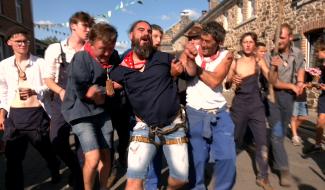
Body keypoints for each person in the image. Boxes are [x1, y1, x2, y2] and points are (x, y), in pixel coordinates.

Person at [109, 20, 197, 190]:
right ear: (131, 36)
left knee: (180, 179)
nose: (146, 34)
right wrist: (108, 88)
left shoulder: (164, 58)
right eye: (141, 30)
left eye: (149, 31)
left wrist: (190, 60)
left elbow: (190, 74)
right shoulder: (120, 69)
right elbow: (108, 88)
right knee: (134, 181)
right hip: (143, 127)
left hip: (173, 125)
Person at [0, 28, 60, 189]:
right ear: (9, 43)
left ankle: (54, 169)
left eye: (25, 41)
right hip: (15, 116)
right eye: (18, 41)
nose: (22, 44)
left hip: (37, 115)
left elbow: (50, 86)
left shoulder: (40, 63)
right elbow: (3, 91)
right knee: (13, 160)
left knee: (47, 151)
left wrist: (35, 89)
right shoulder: (4, 65)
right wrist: (2, 114)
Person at [61, 22, 119, 190]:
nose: (107, 53)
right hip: (81, 114)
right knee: (93, 158)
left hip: (102, 113)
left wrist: (104, 91)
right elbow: (83, 91)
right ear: (91, 43)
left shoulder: (113, 56)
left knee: (107, 156)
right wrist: (101, 92)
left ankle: (103, 187)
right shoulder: (81, 58)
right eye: (102, 48)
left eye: (111, 48)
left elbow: (117, 81)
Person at [44, 11, 94, 189]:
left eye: (90, 26)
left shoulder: (90, 49)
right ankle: (76, 169)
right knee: (56, 142)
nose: (88, 30)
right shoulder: (56, 49)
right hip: (62, 102)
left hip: (85, 102)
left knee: (84, 147)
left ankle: (82, 181)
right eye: (84, 26)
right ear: (73, 26)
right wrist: (61, 90)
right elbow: (48, 78)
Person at [185, 21, 236, 190]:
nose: (203, 44)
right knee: (197, 159)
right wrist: (189, 59)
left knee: (227, 157)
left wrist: (195, 65)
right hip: (195, 113)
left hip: (220, 112)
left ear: (219, 43)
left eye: (208, 42)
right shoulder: (192, 50)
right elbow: (186, 71)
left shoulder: (227, 55)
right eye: (202, 40)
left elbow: (215, 81)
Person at [226, 32, 273, 190]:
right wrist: (232, 80)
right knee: (233, 140)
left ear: (254, 44)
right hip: (239, 106)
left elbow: (271, 78)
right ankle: (226, 171)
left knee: (262, 141)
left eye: (250, 42)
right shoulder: (235, 62)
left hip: (256, 106)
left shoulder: (259, 60)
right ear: (241, 44)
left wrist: (275, 68)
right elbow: (226, 83)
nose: (247, 44)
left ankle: (263, 177)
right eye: (245, 42)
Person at [266, 23, 305, 187]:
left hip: (288, 98)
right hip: (273, 96)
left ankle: (270, 153)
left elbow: (301, 68)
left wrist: (301, 82)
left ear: (290, 37)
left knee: (280, 133)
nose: (278, 41)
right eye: (276, 38)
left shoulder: (297, 53)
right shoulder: (270, 56)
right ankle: (284, 169)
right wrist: (274, 68)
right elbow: (272, 82)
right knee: (276, 133)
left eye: (281, 38)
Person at [144, 23, 166, 190]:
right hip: (139, 114)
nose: (158, 41)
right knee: (142, 153)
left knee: (156, 151)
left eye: (160, 37)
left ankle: (153, 184)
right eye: (155, 36)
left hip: (159, 113)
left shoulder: (164, 58)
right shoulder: (135, 57)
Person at [304, 35, 325, 154]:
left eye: (318, 51)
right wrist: (311, 84)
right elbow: (318, 82)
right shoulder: (321, 66)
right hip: (323, 97)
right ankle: (317, 145)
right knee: (320, 121)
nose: (316, 54)